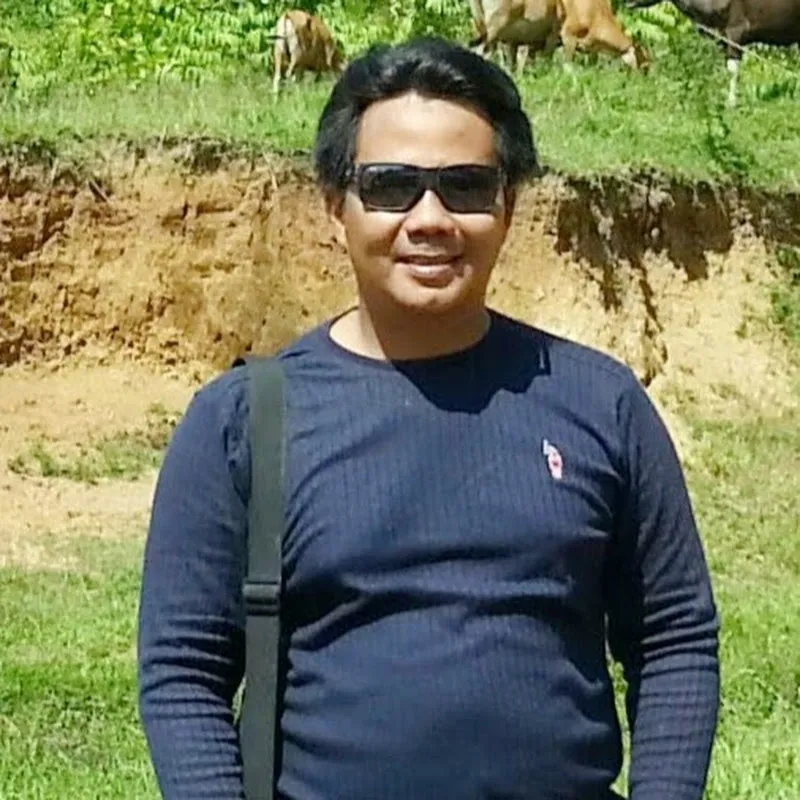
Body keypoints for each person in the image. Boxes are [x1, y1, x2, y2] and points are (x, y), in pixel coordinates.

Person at [137, 36, 720, 800]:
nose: (430, 218)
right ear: (335, 208)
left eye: (466, 187)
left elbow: (674, 637)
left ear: (508, 208)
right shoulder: (245, 423)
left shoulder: (600, 404)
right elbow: (184, 671)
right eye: (391, 186)